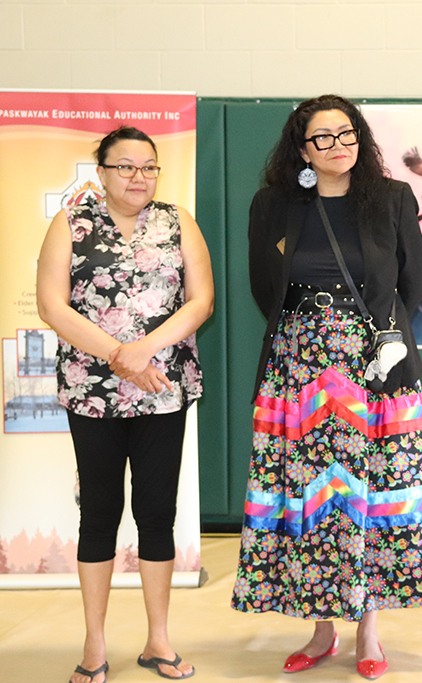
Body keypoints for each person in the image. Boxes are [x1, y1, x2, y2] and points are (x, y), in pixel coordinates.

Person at [231, 94, 422, 680]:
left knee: (372, 493)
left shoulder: (394, 198)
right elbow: (262, 286)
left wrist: (367, 338)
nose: (337, 146)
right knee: (307, 494)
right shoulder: (272, 204)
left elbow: (408, 281)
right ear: (301, 148)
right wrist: (310, 334)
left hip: (374, 368)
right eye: (322, 138)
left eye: (346, 133)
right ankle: (321, 626)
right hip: (298, 366)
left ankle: (369, 629)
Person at [37, 126, 214, 683]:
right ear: (102, 173)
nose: (139, 177)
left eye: (149, 167)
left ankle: (158, 642)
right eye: (126, 166)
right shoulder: (70, 223)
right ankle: (94, 647)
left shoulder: (178, 221)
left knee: (157, 513)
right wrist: (119, 354)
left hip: (163, 389)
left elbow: (201, 300)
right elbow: (51, 305)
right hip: (92, 393)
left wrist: (144, 351)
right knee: (99, 514)